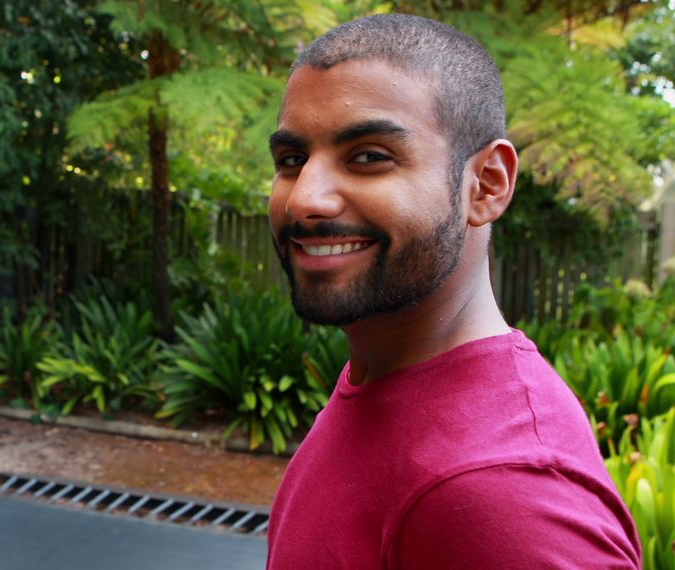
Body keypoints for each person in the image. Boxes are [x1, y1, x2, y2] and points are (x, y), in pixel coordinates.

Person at [265, 14, 640, 568]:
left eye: (369, 157)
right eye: (293, 160)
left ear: (486, 184)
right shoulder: (383, 376)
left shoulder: (504, 491)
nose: (304, 200)